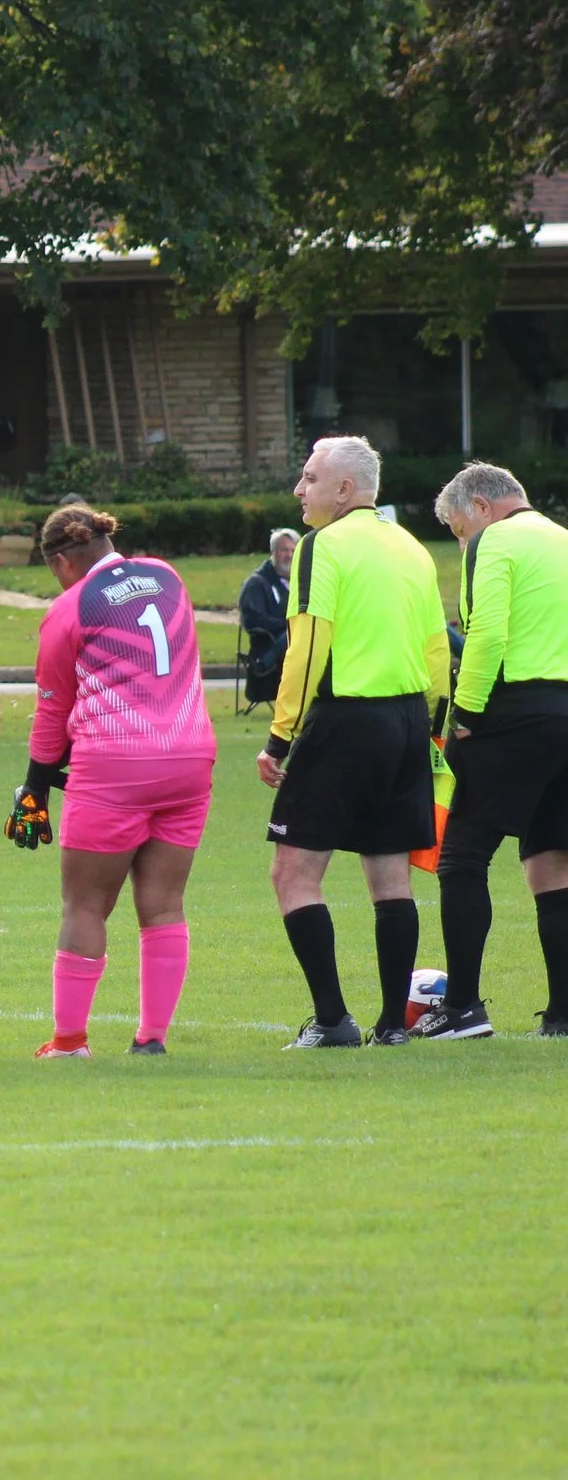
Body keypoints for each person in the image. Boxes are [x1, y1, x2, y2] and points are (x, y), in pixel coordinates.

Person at [259, 437, 449, 1050]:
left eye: (309, 478)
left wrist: (280, 737)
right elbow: (436, 647)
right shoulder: (413, 547)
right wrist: (432, 725)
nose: (299, 490)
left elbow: (307, 646)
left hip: (347, 722)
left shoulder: (322, 547)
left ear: (344, 490)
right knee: (391, 877)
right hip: (407, 724)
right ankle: (395, 1025)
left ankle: (334, 1020)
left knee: (293, 872)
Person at [14, 506, 215, 1059]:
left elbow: (53, 709)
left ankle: (69, 1041)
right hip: (190, 756)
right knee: (164, 904)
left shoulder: (69, 607)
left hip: (115, 764)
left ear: (60, 560)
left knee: (85, 905)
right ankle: (151, 1039)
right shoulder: (167, 577)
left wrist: (34, 787)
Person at [415, 463, 568, 1040]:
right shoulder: (562, 539)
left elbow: (488, 634)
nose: (462, 541)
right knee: (553, 858)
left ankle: (462, 1009)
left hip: (514, 708)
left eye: (458, 529)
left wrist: (467, 714)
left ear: (480, 506)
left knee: (461, 854)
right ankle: (562, 1015)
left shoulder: (496, 542)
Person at [238, 528, 297, 704]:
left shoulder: (300, 582)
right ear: (273, 552)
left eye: (293, 550)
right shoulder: (256, 583)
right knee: (296, 633)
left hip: (292, 645)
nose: (289, 555)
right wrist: (288, 623)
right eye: (284, 550)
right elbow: (252, 621)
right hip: (266, 654)